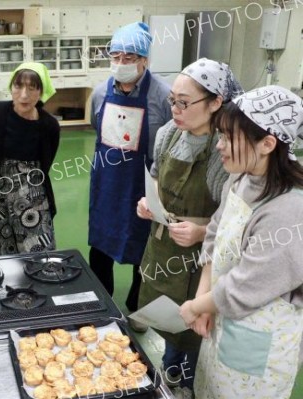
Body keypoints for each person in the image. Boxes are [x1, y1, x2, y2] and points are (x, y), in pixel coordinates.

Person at [179, 85, 303, 398]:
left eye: (228, 137)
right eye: (219, 135)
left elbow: (245, 286)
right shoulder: (242, 177)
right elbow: (214, 234)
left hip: (258, 341)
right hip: (221, 316)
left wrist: (195, 306)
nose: (219, 145)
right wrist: (204, 298)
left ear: (267, 143)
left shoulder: (288, 209)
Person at [135, 58, 242, 398]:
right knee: (167, 321)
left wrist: (200, 231)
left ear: (215, 103)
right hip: (163, 249)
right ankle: (171, 376)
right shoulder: (168, 135)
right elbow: (155, 180)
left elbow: (236, 216)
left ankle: (190, 384)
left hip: (202, 263)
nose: (176, 110)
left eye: (185, 102)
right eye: (173, 101)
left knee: (195, 331)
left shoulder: (224, 150)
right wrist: (148, 203)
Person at [88, 22, 172, 320]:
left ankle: (138, 307)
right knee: (100, 243)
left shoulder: (164, 96)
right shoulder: (100, 93)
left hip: (146, 182)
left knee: (144, 245)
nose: (120, 64)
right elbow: (95, 129)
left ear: (144, 61)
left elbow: (172, 140)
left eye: (128, 58)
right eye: (116, 57)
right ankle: (101, 304)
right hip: (108, 181)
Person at [0, 62, 60, 255]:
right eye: (18, 86)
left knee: (38, 252)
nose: (24, 95)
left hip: (33, 194)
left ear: (42, 91)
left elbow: (46, 162)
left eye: (32, 88)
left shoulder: (49, 125)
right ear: (11, 87)